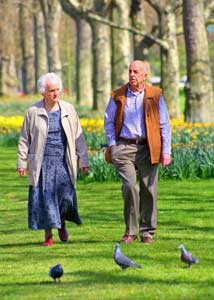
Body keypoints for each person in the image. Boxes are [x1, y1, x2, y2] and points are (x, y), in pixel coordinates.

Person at [17, 72, 89, 246]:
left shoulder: (69, 109)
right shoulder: (33, 112)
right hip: (42, 162)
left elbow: (79, 137)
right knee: (45, 199)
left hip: (64, 160)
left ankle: (61, 223)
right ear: (43, 92)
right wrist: (22, 162)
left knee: (65, 198)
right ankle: (48, 234)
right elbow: (24, 139)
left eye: (57, 90)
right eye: (51, 91)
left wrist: (83, 160)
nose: (55, 94)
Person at [104, 60, 171, 244]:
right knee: (129, 187)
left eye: (136, 72)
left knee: (149, 189)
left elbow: (164, 124)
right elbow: (108, 121)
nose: (132, 74)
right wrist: (112, 145)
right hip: (123, 147)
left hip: (148, 147)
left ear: (145, 75)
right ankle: (130, 231)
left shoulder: (155, 95)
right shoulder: (118, 95)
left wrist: (166, 151)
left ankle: (147, 231)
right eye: (130, 71)